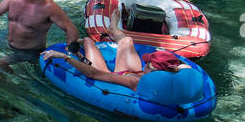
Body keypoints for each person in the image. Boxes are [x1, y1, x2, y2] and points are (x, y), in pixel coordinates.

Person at [41, 37, 184, 89]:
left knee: (88, 41)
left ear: (152, 69)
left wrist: (65, 57)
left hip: (121, 75)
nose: (144, 63)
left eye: (147, 64)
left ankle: (75, 47)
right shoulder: (174, 76)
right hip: (132, 72)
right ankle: (112, 29)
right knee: (127, 41)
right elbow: (184, 66)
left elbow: (93, 74)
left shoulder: (135, 82)